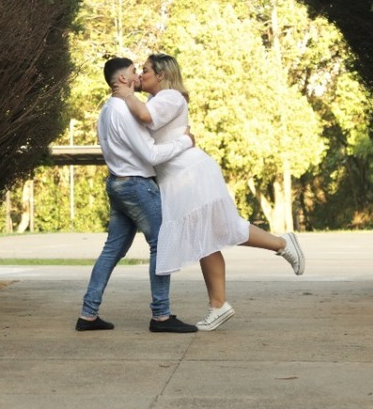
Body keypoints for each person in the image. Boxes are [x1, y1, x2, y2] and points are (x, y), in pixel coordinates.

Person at [112, 53, 304, 331]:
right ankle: (222, 301)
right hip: (179, 178)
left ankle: (279, 248)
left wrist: (127, 93)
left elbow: (145, 117)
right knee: (210, 236)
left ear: (162, 74)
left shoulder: (170, 97)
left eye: (146, 70)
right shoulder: (156, 99)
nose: (141, 75)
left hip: (191, 174)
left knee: (214, 233)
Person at [76, 57, 200, 333]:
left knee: (112, 250)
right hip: (136, 186)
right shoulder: (123, 110)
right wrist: (185, 141)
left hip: (117, 183)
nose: (139, 75)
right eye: (135, 71)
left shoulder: (107, 109)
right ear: (123, 79)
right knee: (161, 245)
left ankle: (88, 314)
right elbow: (151, 154)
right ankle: (161, 316)